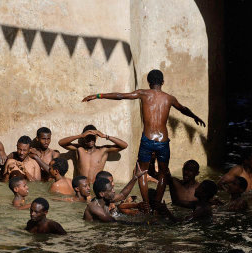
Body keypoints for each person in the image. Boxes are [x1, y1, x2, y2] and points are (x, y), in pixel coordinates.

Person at [82, 69, 206, 211]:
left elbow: (120, 96)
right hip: (162, 141)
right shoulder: (169, 98)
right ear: (162, 82)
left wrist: (98, 95)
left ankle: (147, 204)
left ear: (149, 82)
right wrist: (195, 117)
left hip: (147, 139)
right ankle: (158, 204)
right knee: (163, 173)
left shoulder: (143, 93)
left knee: (141, 171)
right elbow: (183, 109)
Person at [59, 125, 128, 184]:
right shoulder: (79, 149)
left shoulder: (103, 150)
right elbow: (61, 143)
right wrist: (80, 135)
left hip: (96, 186)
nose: (90, 140)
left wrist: (105, 136)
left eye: (93, 137)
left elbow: (124, 145)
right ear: (84, 137)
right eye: (88, 137)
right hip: (81, 185)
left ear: (96, 137)